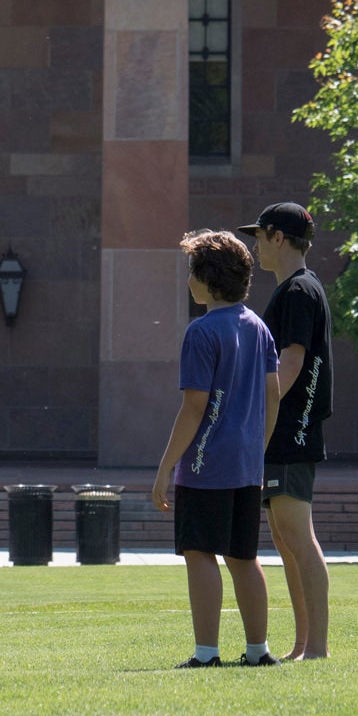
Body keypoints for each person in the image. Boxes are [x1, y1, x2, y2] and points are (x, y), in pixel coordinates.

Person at [151, 230, 281, 669]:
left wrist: (165, 467)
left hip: (205, 465)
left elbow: (193, 407)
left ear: (207, 279)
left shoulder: (201, 331)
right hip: (246, 466)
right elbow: (273, 395)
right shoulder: (259, 327)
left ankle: (206, 654)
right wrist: (256, 451)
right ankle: (258, 650)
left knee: (199, 552)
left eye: (192, 271)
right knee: (244, 556)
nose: (188, 280)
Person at [238, 202, 334, 661]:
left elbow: (292, 362)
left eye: (260, 235)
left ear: (279, 238)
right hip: (284, 428)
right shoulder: (296, 289)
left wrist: (262, 411)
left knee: (298, 536)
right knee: (283, 536)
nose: (255, 244)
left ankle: (317, 648)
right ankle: (302, 645)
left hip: (291, 428)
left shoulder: (298, 290)